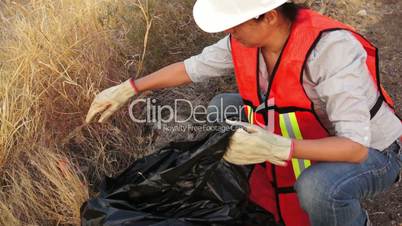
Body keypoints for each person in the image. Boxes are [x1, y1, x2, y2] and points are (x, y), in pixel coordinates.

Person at [85, 0, 402, 225]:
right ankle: (274, 195)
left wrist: (277, 146)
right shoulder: (245, 40)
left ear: (269, 17)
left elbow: (355, 146)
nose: (228, 32)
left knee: (318, 188)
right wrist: (131, 88)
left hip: (375, 152)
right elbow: (191, 69)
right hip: (311, 133)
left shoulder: (330, 49)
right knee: (223, 108)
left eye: (234, 25)